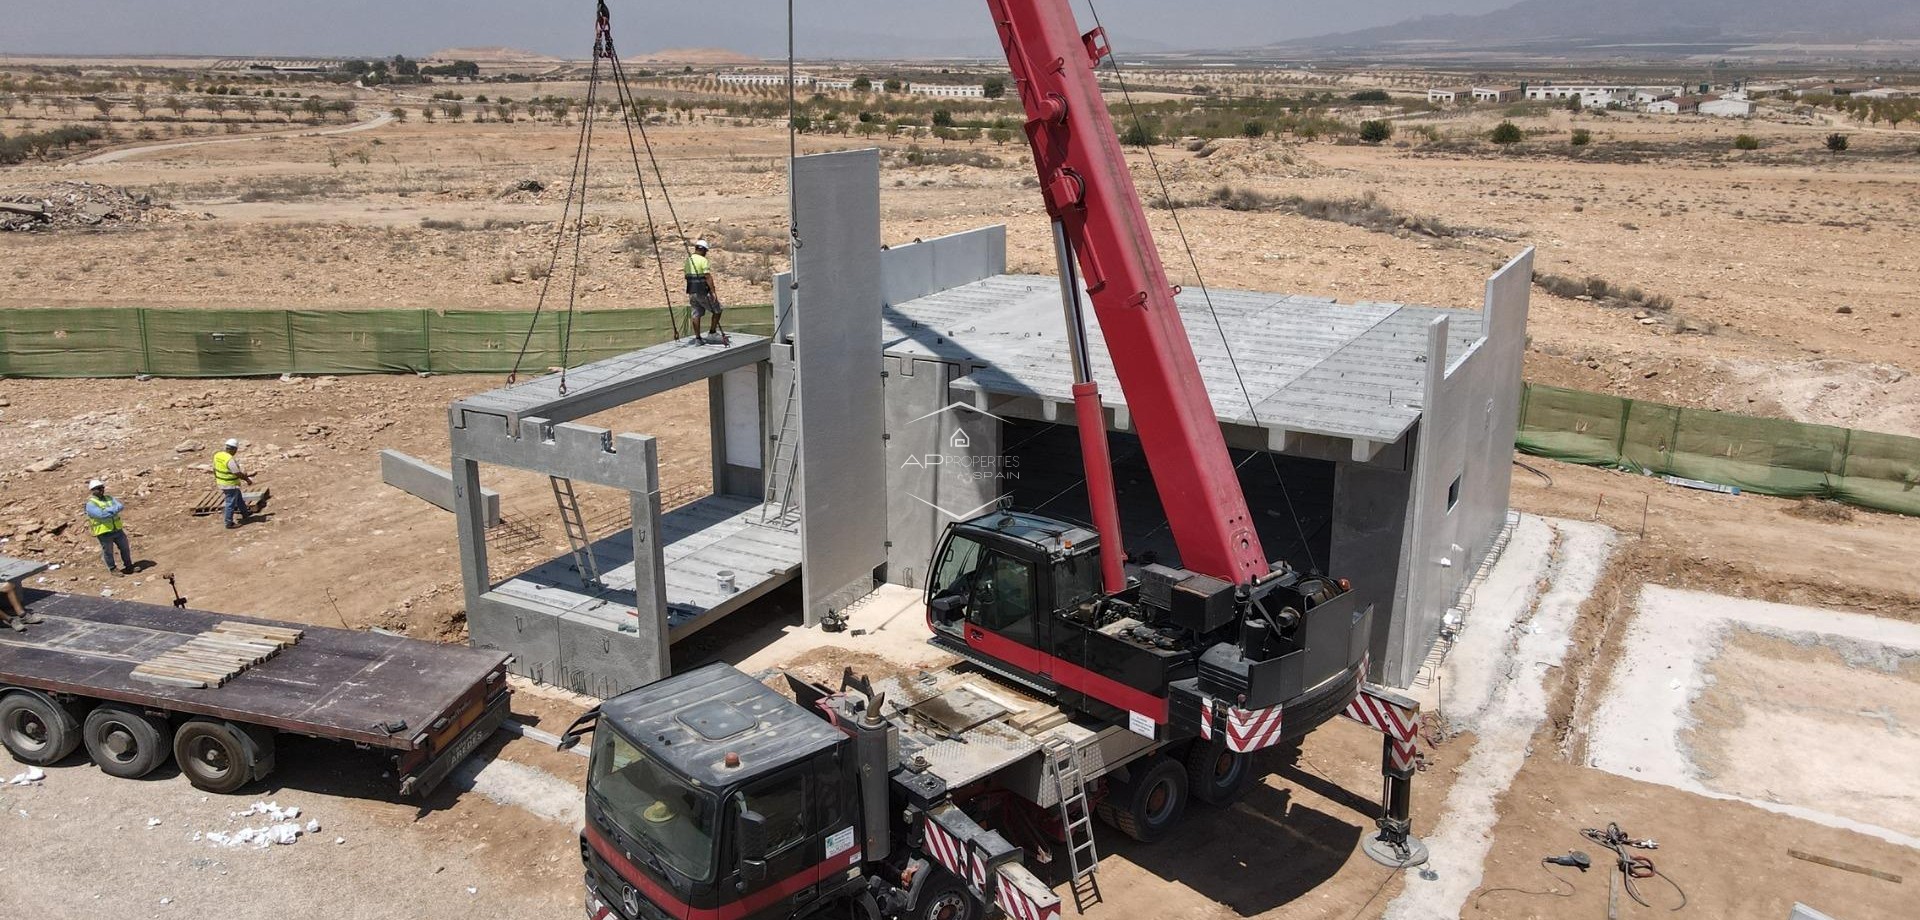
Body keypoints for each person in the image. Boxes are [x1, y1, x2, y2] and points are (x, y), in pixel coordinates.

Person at [683, 239, 729, 346]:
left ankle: (698, 339)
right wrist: (713, 292)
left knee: (696, 314)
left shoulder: (688, 260)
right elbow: (707, 276)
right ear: (703, 250)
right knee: (717, 309)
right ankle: (712, 333)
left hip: (691, 292)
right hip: (702, 292)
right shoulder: (703, 260)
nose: (706, 253)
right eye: (706, 251)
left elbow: (686, 276)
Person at [84, 479, 134, 575]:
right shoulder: (91, 504)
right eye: (99, 488)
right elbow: (101, 515)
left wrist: (108, 510)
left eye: (102, 487)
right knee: (108, 552)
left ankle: (129, 566)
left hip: (117, 529)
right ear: (92, 490)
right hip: (104, 532)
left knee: (125, 548)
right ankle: (113, 569)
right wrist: (113, 510)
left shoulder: (109, 498)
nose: (102, 490)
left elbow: (120, 506)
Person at [213, 438, 256, 530]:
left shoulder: (218, 455)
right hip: (230, 484)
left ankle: (245, 513)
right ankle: (229, 523)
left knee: (238, 498)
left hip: (221, 482)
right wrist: (247, 479)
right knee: (230, 503)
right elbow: (237, 473)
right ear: (234, 449)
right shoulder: (230, 460)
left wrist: (217, 478)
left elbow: (214, 468)